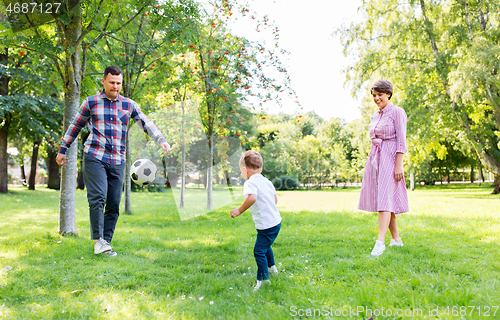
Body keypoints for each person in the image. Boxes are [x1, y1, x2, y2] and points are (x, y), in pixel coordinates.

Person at [56, 66, 171, 256]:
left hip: (118, 159)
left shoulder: (129, 105)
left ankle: (105, 243)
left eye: (118, 83)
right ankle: (97, 240)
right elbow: (75, 126)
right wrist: (63, 149)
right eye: (112, 82)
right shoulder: (91, 102)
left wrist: (161, 139)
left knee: (113, 204)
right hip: (95, 155)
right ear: (103, 81)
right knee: (98, 197)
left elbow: (145, 122)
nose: (115, 86)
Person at [358, 80, 409, 257]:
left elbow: (402, 140)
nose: (376, 98)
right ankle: (396, 240)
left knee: (384, 200)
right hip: (377, 157)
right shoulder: (375, 116)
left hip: (391, 156)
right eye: (374, 95)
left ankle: (380, 242)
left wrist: (398, 164)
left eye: (380, 94)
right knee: (385, 198)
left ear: (388, 94)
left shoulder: (397, 112)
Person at [230, 150, 282, 291]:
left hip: (266, 225)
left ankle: (263, 279)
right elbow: (275, 199)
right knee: (265, 245)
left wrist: (239, 210)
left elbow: (252, 198)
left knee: (259, 251)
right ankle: (272, 268)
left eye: (241, 171)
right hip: (275, 222)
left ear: (245, 170)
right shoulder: (267, 181)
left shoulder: (250, 183)